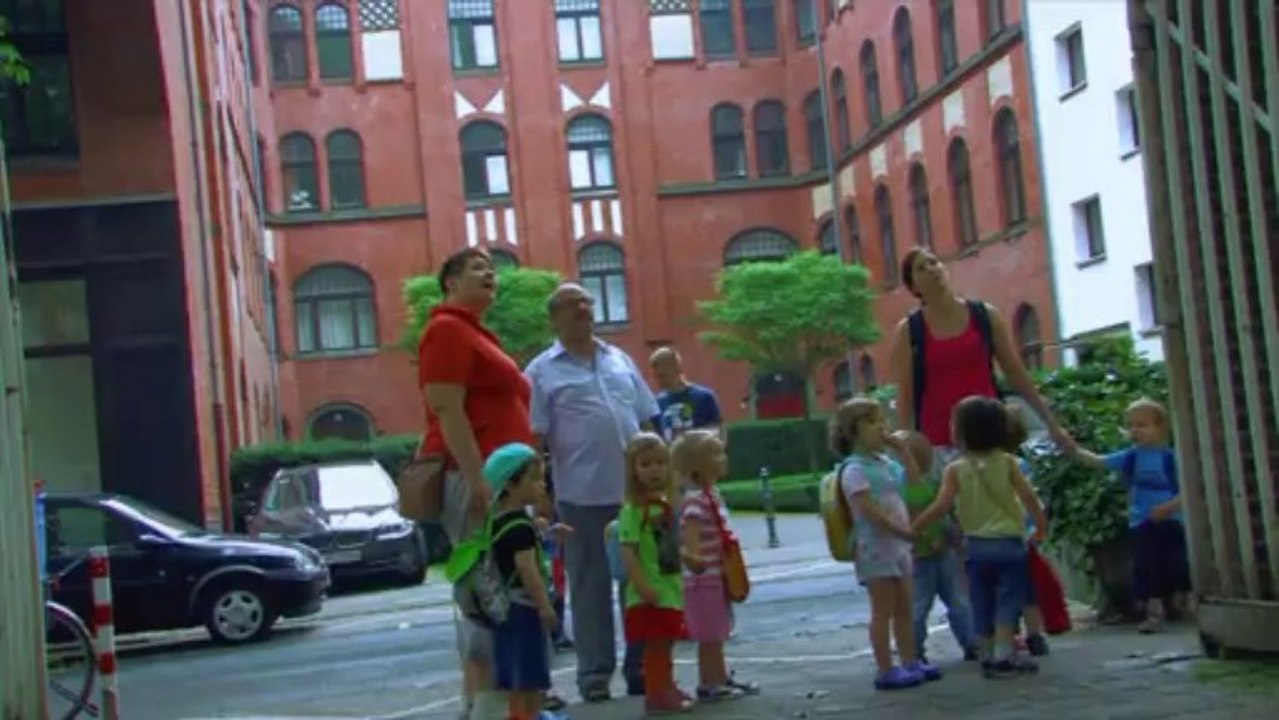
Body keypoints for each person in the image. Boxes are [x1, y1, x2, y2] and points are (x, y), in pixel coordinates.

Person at [525, 282, 659, 702]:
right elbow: (534, 438)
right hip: (581, 498)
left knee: (641, 584)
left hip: (635, 496)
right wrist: (539, 494)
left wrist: (664, 475)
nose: (583, 308)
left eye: (586, 301)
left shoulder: (619, 358)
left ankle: (643, 669)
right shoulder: (540, 372)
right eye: (572, 304)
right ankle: (595, 675)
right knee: (589, 589)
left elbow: (647, 419)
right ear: (555, 317)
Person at [418, 247, 534, 720]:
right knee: (486, 592)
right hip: (476, 478)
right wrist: (476, 478)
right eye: (477, 269)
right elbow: (447, 407)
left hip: (498, 480)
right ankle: (488, 703)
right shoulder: (446, 330)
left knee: (500, 586)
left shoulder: (474, 332)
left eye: (492, 269)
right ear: (451, 283)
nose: (490, 274)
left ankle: (497, 700)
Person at [889, 248, 1075, 467]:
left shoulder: (984, 315)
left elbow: (1016, 373)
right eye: (921, 268)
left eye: (934, 262)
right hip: (940, 446)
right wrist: (906, 450)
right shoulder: (910, 331)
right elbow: (905, 395)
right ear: (913, 287)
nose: (931, 269)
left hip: (991, 437)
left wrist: (1051, 424)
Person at [913, 396, 1049, 679]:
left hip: (975, 547)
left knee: (981, 599)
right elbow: (1028, 497)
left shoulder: (955, 469)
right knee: (1009, 600)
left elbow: (941, 506)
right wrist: (1040, 526)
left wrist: (914, 528)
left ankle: (986, 654)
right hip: (1010, 545)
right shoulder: (1008, 463)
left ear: (960, 432)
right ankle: (1004, 654)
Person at [828, 397, 938, 691]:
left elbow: (914, 484)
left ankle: (910, 660)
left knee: (905, 607)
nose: (880, 428)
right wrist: (902, 532)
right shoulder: (854, 469)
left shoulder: (886, 463)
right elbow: (868, 511)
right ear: (853, 431)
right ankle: (886, 668)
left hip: (898, 546)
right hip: (875, 547)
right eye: (871, 422)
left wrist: (904, 451)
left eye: (881, 421)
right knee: (883, 610)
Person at [1066, 398, 1190, 633]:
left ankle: (1179, 602)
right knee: (1146, 565)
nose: (1135, 430)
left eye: (1142, 425)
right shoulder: (1131, 457)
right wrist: (1071, 448)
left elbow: (1187, 489)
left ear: (1160, 427)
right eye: (1131, 425)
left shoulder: (1170, 457)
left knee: (1176, 564)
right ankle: (1154, 613)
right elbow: (1098, 462)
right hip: (1141, 522)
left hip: (1172, 521)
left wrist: (1169, 507)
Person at [673, 429, 758, 701]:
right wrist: (695, 561)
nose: (723, 458)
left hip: (716, 576)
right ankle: (710, 683)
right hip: (704, 580)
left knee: (718, 631)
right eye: (716, 454)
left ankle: (719, 676)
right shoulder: (694, 503)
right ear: (697, 465)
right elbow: (691, 544)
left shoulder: (711, 496)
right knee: (710, 635)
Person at [617, 432, 692, 714]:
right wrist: (642, 585)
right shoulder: (633, 511)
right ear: (633, 470)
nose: (654, 470)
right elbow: (629, 551)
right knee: (656, 646)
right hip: (650, 589)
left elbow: (670, 544)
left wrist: (689, 559)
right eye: (646, 464)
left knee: (668, 642)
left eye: (660, 463)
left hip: (670, 586)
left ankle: (666, 685)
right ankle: (657, 693)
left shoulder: (665, 505)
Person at [482, 443, 558, 720]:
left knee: (515, 672)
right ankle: (529, 715)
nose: (542, 485)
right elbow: (527, 569)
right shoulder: (521, 528)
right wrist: (545, 606)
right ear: (510, 484)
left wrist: (546, 532)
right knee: (531, 674)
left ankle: (520, 714)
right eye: (534, 479)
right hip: (525, 608)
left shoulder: (498, 522)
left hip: (504, 608)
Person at [900, 432, 977, 663]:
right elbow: (940, 513)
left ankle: (916, 650)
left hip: (930, 553)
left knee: (930, 603)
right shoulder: (916, 486)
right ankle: (968, 641)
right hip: (927, 553)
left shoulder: (916, 485)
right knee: (952, 600)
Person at [1000, 406, 1050, 656]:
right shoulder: (1022, 465)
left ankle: (1009, 636)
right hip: (1023, 535)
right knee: (1027, 588)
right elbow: (1032, 499)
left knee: (1002, 591)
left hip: (997, 537)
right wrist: (1038, 527)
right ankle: (1034, 634)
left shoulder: (978, 468)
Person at [650, 347, 724, 442]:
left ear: (678, 369)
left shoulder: (704, 397)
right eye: (656, 376)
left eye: (664, 375)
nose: (659, 381)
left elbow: (720, 434)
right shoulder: (657, 403)